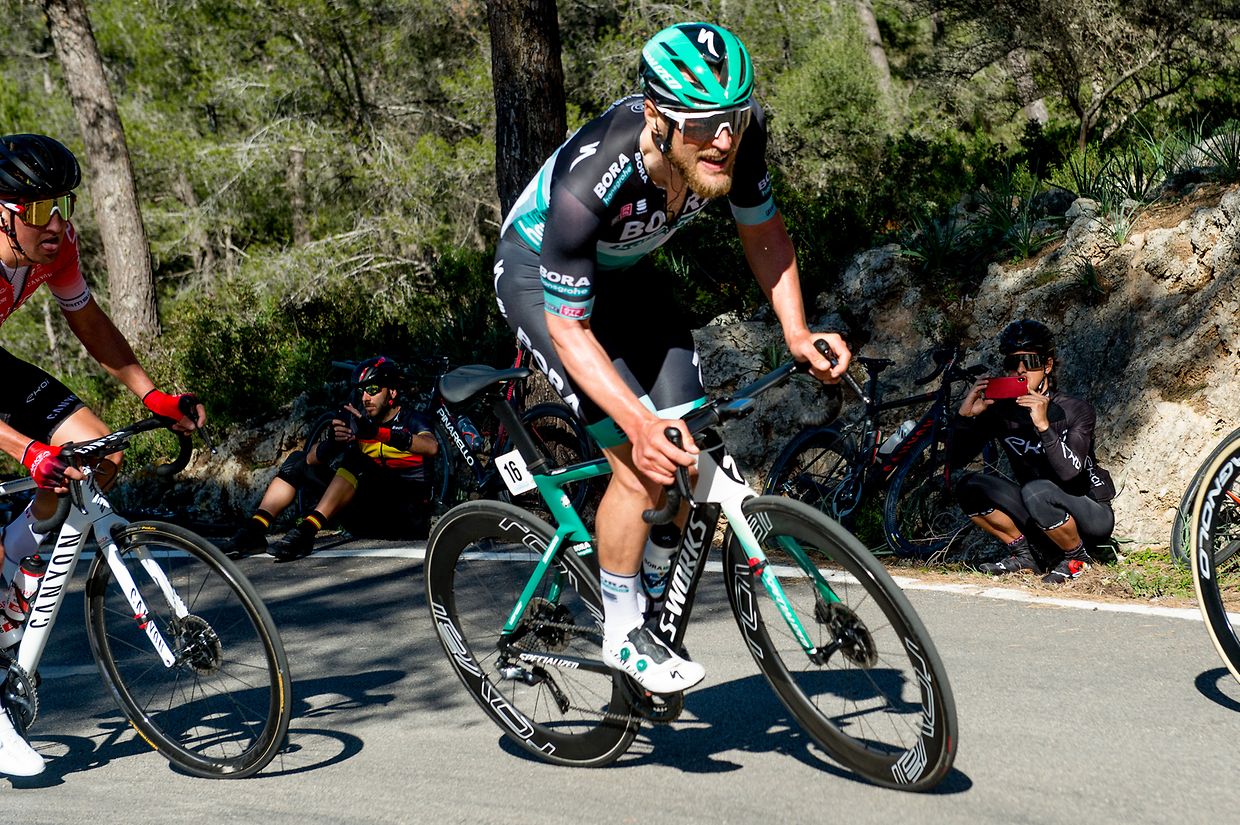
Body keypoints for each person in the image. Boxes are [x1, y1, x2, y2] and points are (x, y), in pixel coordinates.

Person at [492, 22, 849, 695]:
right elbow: (570, 331)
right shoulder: (592, 177)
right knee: (641, 458)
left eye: (735, 120)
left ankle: (649, 574)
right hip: (541, 281)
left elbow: (765, 233)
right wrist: (636, 421)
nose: (723, 139)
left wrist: (798, 331)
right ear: (656, 116)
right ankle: (623, 628)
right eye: (703, 124)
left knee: (690, 440)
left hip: (625, 276)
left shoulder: (735, 139)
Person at [0, 133, 205, 776]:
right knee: (44, 458)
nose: (53, 225)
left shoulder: (55, 247)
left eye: (60, 206)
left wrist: (155, 395)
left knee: (98, 454)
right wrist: (28, 450)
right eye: (35, 211)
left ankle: (15, 564)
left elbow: (89, 322)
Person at [221, 355, 440, 561]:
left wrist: (379, 434)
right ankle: (255, 530)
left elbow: (431, 447)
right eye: (361, 391)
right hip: (367, 514)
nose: (365, 397)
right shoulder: (356, 417)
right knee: (297, 460)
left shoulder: (412, 419)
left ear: (391, 393)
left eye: (372, 390)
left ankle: (306, 532)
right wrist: (332, 443)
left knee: (358, 460)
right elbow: (311, 460)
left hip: (406, 516)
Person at [951, 319, 1116, 584]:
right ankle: (1025, 556)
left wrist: (1043, 425)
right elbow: (956, 461)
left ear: (1047, 365)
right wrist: (964, 418)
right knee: (969, 487)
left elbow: (1071, 473)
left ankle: (1078, 558)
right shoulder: (1001, 411)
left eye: (1029, 362)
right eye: (1011, 363)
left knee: (1036, 490)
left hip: (1090, 512)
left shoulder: (1075, 409)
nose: (1020, 370)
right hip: (1036, 506)